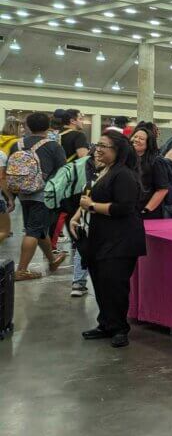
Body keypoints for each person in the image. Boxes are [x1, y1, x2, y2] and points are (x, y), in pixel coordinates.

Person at [71, 131, 146, 348]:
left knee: (115, 285)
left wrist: (91, 207)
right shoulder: (103, 170)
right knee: (101, 283)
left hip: (120, 240)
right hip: (100, 237)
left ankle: (119, 328)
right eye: (98, 145)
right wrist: (79, 215)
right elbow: (88, 197)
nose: (99, 150)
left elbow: (124, 207)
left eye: (105, 146)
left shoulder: (123, 174)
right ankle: (106, 323)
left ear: (118, 151)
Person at [10, 112, 67, 281]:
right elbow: (62, 171)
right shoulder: (53, 145)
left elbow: (10, 171)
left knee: (39, 229)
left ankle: (52, 260)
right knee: (33, 231)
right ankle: (21, 270)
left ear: (27, 126)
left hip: (22, 193)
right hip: (42, 193)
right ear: (48, 126)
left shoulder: (17, 144)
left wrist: (11, 197)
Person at [54, 109, 91, 298]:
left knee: (70, 221)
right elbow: (84, 158)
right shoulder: (77, 135)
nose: (83, 120)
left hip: (60, 186)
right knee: (82, 227)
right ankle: (79, 279)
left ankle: (77, 255)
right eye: (81, 117)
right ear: (72, 120)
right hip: (76, 186)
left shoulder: (56, 137)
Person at [131, 126, 172, 219]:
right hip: (130, 210)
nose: (136, 140)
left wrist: (146, 210)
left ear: (148, 143)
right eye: (135, 136)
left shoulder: (156, 161)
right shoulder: (128, 159)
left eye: (141, 138)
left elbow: (162, 190)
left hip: (148, 212)